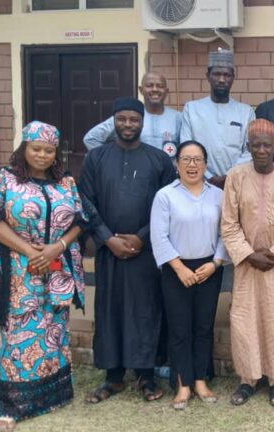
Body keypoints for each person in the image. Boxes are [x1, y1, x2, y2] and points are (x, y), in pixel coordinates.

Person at [0, 121, 87, 432]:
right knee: (18, 333)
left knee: (54, 330)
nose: (42, 155)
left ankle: (50, 397)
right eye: (36, 148)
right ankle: (9, 405)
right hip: (19, 272)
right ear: (24, 148)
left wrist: (56, 248)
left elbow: (80, 220)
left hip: (56, 269)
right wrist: (30, 251)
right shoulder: (4, 179)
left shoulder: (65, 182)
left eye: (49, 150)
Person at [80, 97, 177, 404]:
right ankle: (113, 376)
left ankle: (146, 375)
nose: (128, 124)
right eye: (122, 119)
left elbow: (168, 205)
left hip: (145, 253)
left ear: (142, 122)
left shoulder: (159, 160)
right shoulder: (96, 158)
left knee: (145, 310)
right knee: (111, 310)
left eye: (134, 119)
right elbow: (86, 202)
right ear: (114, 121)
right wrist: (107, 239)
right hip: (109, 252)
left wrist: (142, 238)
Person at [221, 119, 274, 407]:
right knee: (244, 321)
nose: (261, 150)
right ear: (248, 146)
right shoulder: (235, 177)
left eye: (266, 145)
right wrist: (248, 254)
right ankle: (248, 380)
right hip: (246, 265)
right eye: (256, 145)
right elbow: (229, 224)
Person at [150, 141, 229, 410]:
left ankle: (200, 380)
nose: (192, 165)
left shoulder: (217, 195)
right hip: (176, 269)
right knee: (180, 328)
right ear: (177, 164)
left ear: (206, 164)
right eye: (186, 159)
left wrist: (216, 263)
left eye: (198, 160)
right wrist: (179, 268)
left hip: (209, 269)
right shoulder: (165, 196)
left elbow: (225, 233)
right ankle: (182, 384)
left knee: (203, 327)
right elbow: (159, 236)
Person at [180, 49, 255, 188]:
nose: (221, 80)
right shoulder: (192, 109)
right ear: (208, 76)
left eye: (226, 75)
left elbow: (249, 151)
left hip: (236, 184)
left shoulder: (246, 112)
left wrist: (228, 176)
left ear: (233, 77)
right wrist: (207, 176)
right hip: (199, 183)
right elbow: (187, 147)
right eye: (216, 74)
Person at [83, 71, 182, 158]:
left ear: (166, 91)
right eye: (149, 86)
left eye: (160, 86)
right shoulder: (130, 117)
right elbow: (91, 138)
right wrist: (112, 159)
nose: (155, 89)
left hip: (168, 172)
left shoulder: (178, 118)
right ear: (141, 90)